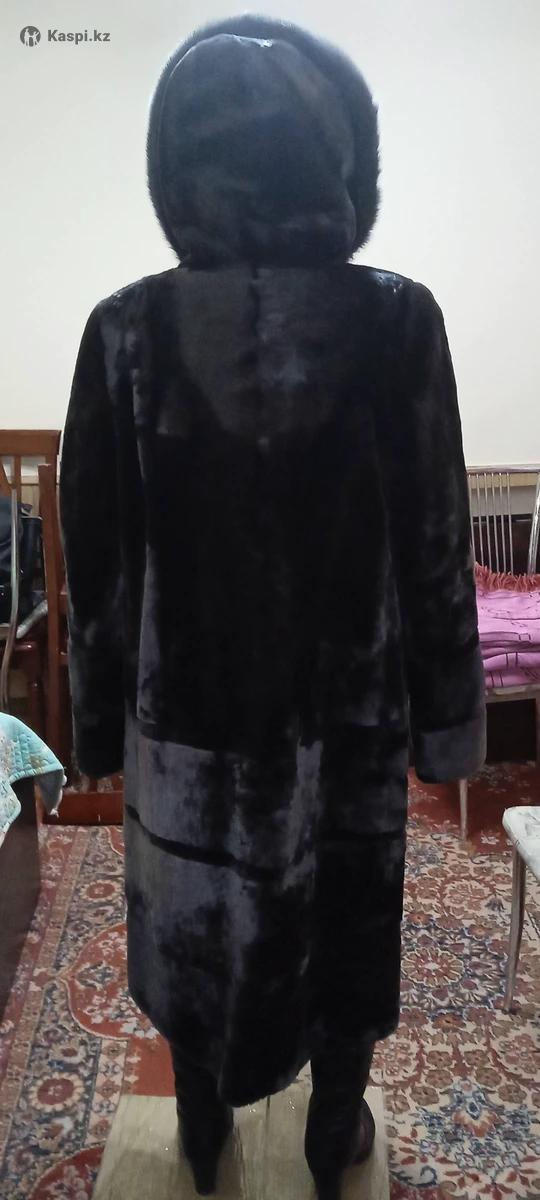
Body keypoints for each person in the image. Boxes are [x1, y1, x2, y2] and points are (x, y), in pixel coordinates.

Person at [60, 15, 486, 1200]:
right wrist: (447, 725)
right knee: (345, 933)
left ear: (174, 164)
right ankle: (331, 1131)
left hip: (185, 737)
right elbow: (439, 549)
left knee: (193, 934)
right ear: (340, 156)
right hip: (347, 728)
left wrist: (97, 725)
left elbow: (96, 561)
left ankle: (203, 1132)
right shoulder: (400, 322)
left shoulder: (124, 331)